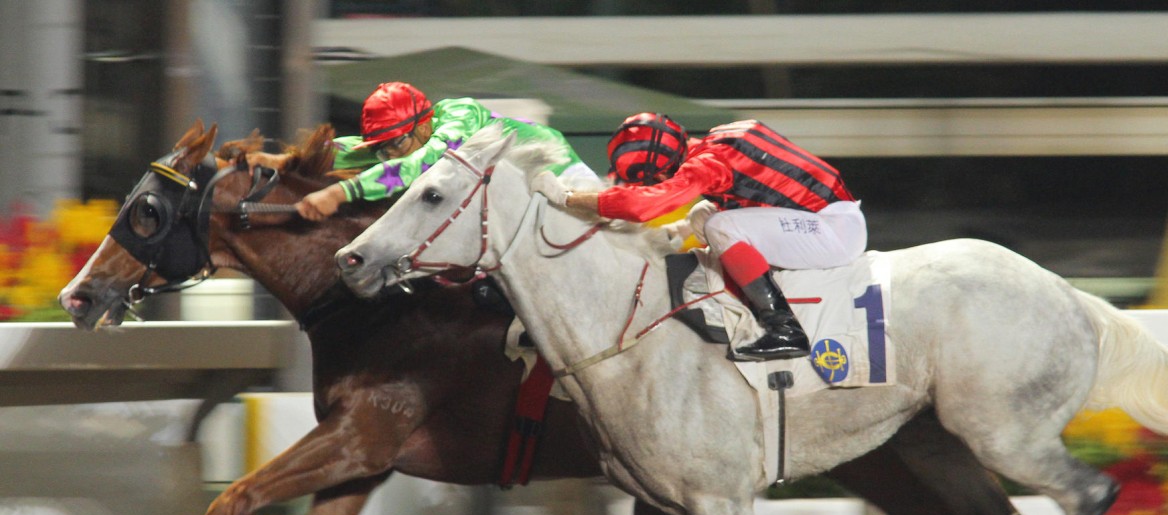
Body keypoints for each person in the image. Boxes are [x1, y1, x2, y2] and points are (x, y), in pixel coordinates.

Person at [532, 113, 867, 361]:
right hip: (826, 218)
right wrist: (678, 231)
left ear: (661, 172)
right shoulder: (717, 140)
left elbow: (640, 207)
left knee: (721, 226)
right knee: (702, 215)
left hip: (833, 232)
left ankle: (784, 328)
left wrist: (568, 198)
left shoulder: (707, 163)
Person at [259, 81, 596, 221]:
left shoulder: (459, 115)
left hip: (563, 178)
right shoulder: (406, 141)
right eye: (383, 148)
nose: (390, 156)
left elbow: (421, 163)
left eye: (395, 144)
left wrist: (340, 192)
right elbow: (356, 150)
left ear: (424, 126)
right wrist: (287, 161)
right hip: (511, 203)